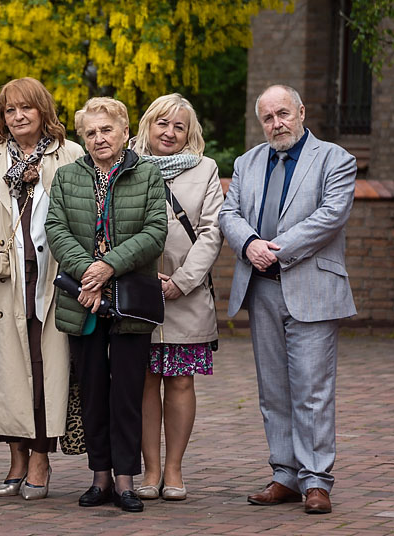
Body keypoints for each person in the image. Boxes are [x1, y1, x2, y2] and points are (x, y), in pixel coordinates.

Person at [219, 84, 357, 515]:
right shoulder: (248, 162)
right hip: (261, 289)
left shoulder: (336, 159)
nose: (276, 123)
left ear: (300, 111)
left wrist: (272, 247)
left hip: (312, 287)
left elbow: (330, 216)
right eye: (268, 118)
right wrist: (249, 244)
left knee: (312, 390)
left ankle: (317, 480)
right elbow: (228, 214)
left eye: (283, 113)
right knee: (273, 390)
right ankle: (285, 475)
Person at [0, 77, 83, 501]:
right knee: (4, 374)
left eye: (26, 108)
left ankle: (41, 460)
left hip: (51, 279)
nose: (18, 116)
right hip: (0, 281)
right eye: (10, 110)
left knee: (45, 369)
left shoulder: (70, 155)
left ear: (43, 109)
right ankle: (15, 459)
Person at [45, 96, 167, 513]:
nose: (99, 138)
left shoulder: (148, 173)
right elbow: (56, 229)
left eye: (107, 130)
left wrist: (108, 268)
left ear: (125, 131)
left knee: (128, 394)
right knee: (93, 390)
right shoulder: (66, 177)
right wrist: (88, 273)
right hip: (83, 299)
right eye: (91, 132)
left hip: (130, 299)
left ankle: (126, 480)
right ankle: (99, 477)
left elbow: (155, 231)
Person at [130, 94, 224, 502]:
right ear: (148, 125)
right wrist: (148, 279)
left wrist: (182, 281)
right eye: (162, 123)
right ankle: (150, 470)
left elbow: (212, 232)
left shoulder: (206, 170)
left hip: (187, 294)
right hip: (138, 291)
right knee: (145, 383)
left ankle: (174, 470)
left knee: (181, 381)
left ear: (190, 133)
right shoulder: (126, 165)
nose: (169, 132)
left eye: (179, 126)